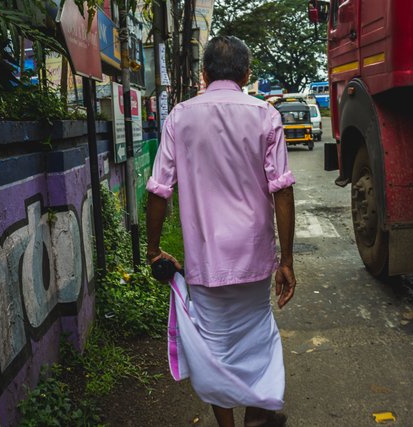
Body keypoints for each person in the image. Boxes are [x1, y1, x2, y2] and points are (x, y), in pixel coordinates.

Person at [145, 35, 296, 427]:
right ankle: (257, 416)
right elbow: (281, 188)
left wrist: (154, 249)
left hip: (204, 258)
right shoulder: (266, 115)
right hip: (253, 257)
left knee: (215, 350)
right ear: (246, 74)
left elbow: (159, 190)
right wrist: (288, 260)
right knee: (258, 342)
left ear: (204, 73)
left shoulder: (179, 116)